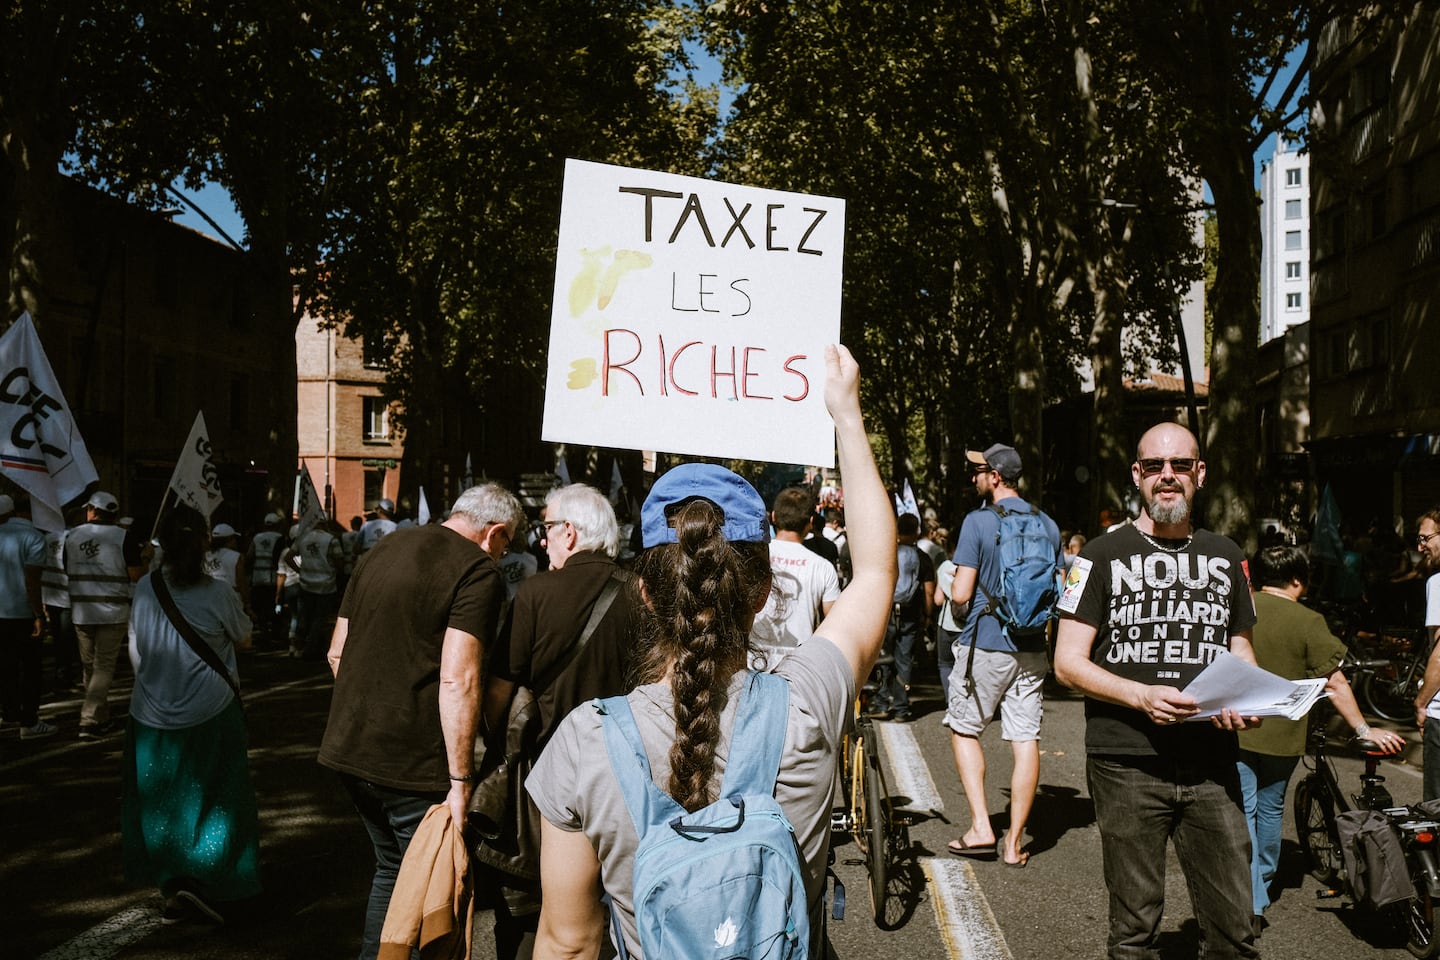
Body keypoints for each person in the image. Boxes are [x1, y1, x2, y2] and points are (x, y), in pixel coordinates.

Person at [526, 344, 896, 960]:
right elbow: (878, 573)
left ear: (643, 593)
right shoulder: (806, 704)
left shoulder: (583, 744)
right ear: (762, 595)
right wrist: (847, 416)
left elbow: (568, 944)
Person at [1053, 422, 1261, 959]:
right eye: (1154, 467)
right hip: (1126, 763)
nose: (1167, 477)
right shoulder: (1095, 556)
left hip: (1212, 764)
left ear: (1200, 473)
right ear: (1137, 476)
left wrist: (1246, 699)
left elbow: (1242, 651)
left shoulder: (1228, 554)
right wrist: (1139, 696)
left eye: (1180, 466)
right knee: (1135, 931)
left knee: (1235, 931)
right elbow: (1067, 664)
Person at [319, 482, 521, 960]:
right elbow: (459, 678)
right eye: (506, 545)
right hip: (411, 760)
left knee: (392, 870)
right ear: (494, 533)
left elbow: (336, 651)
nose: (502, 556)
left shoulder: (384, 546)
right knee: (431, 886)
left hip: (349, 744)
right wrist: (460, 778)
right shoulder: (478, 572)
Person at [481, 483, 641, 960]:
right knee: (617, 892)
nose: (542, 538)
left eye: (546, 527)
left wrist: (499, 742)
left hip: (547, 771)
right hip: (625, 767)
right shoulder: (639, 591)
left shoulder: (534, 593)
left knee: (541, 898)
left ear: (569, 532)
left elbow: (499, 688)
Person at [1239, 544, 1404, 937]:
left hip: (1239, 730)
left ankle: (1249, 899)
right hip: (1284, 735)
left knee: (1241, 811)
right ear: (1298, 580)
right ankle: (1260, 885)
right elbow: (1335, 681)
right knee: (1270, 810)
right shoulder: (1309, 620)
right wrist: (1364, 730)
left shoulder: (1241, 609)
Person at [122, 504, 260, 925]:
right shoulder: (218, 592)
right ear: (204, 544)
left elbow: (138, 649)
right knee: (220, 797)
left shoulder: (146, 587)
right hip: (211, 708)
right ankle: (214, 881)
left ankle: (173, 884)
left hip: (150, 711)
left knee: (160, 798)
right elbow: (244, 639)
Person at [945, 444, 1060, 867]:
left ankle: (980, 827)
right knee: (1025, 740)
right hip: (1032, 649)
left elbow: (960, 593)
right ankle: (1013, 843)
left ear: (995, 477)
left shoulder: (977, 523)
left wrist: (960, 604)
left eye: (977, 471)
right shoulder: (1048, 525)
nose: (973, 477)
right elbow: (1059, 590)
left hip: (986, 643)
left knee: (964, 728)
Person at [67, 490, 143, 740]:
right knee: (103, 666)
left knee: (90, 666)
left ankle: (99, 714)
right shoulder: (125, 537)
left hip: (81, 611)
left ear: (91, 510)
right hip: (113, 611)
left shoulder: (72, 535)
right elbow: (135, 575)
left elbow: (67, 568)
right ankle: (90, 718)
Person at [749, 485, 841, 667]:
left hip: (750, 667)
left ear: (773, 516)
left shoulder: (752, 558)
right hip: (799, 673)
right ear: (811, 521)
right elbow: (835, 624)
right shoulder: (823, 567)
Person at [0, 494, 56, 739]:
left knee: (5, 667)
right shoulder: (34, 537)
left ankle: (8, 713)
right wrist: (39, 614)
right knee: (31, 669)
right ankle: (29, 722)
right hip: (21, 614)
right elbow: (32, 580)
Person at [869, 513, 934, 722]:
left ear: (897, 529)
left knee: (883, 657)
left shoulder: (887, 554)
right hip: (910, 615)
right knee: (904, 659)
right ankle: (901, 708)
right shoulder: (923, 558)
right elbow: (929, 591)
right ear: (917, 531)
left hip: (885, 613)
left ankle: (881, 703)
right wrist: (928, 615)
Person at [1410, 506, 1440, 800]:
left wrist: (1421, 703)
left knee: (1436, 806)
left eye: (1425, 538)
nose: (1420, 548)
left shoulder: (1439, 582)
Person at [291, 519, 346, 661]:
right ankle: (311, 649)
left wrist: (300, 570)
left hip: (305, 584)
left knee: (303, 617)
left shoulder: (303, 537)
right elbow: (340, 561)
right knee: (319, 618)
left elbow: (288, 556)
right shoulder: (330, 539)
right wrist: (335, 572)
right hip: (326, 586)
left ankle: (297, 647)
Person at [246, 512, 285, 646]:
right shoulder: (280, 538)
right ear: (277, 525)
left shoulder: (257, 538)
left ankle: (264, 633)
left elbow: (250, 556)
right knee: (273, 606)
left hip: (258, 578)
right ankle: (274, 633)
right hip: (273, 579)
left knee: (260, 608)